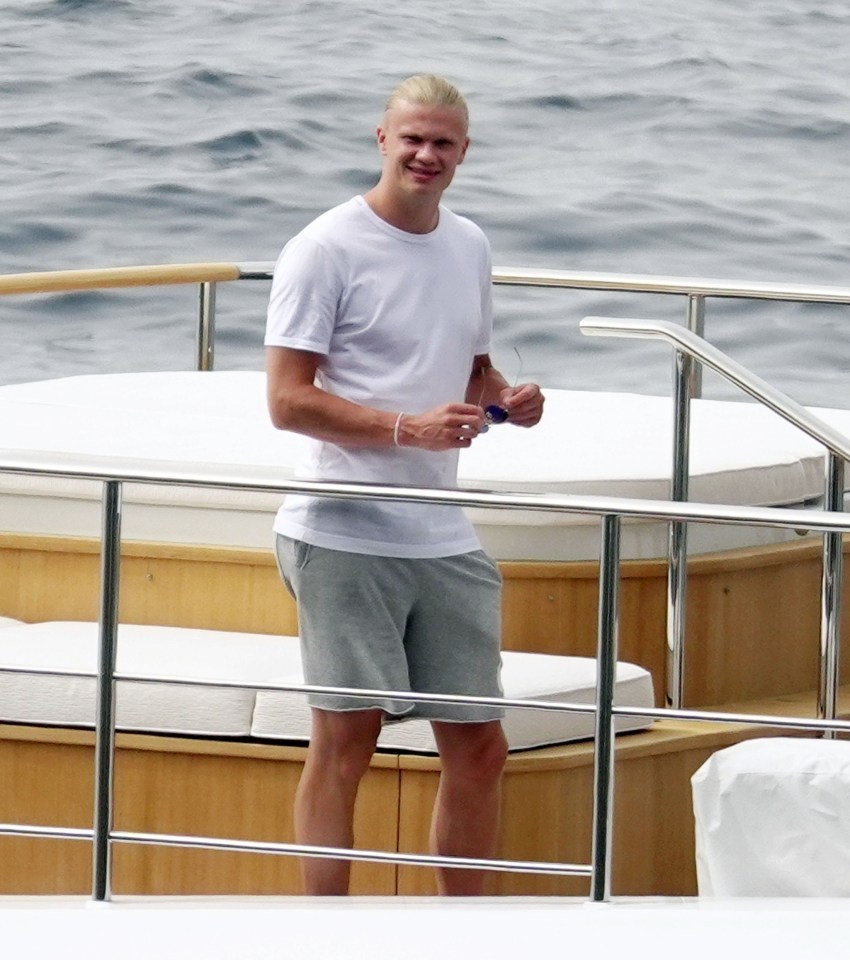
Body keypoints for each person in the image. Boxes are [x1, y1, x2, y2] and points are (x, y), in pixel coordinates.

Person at [264, 74, 545, 896]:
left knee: (480, 746)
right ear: (382, 140)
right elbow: (286, 401)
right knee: (345, 742)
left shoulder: (469, 244)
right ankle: (330, 937)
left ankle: (458, 936)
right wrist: (405, 429)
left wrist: (508, 398)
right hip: (342, 530)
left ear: (464, 151)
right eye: (413, 138)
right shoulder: (324, 247)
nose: (427, 154)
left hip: (441, 532)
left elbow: (474, 368)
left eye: (444, 142)